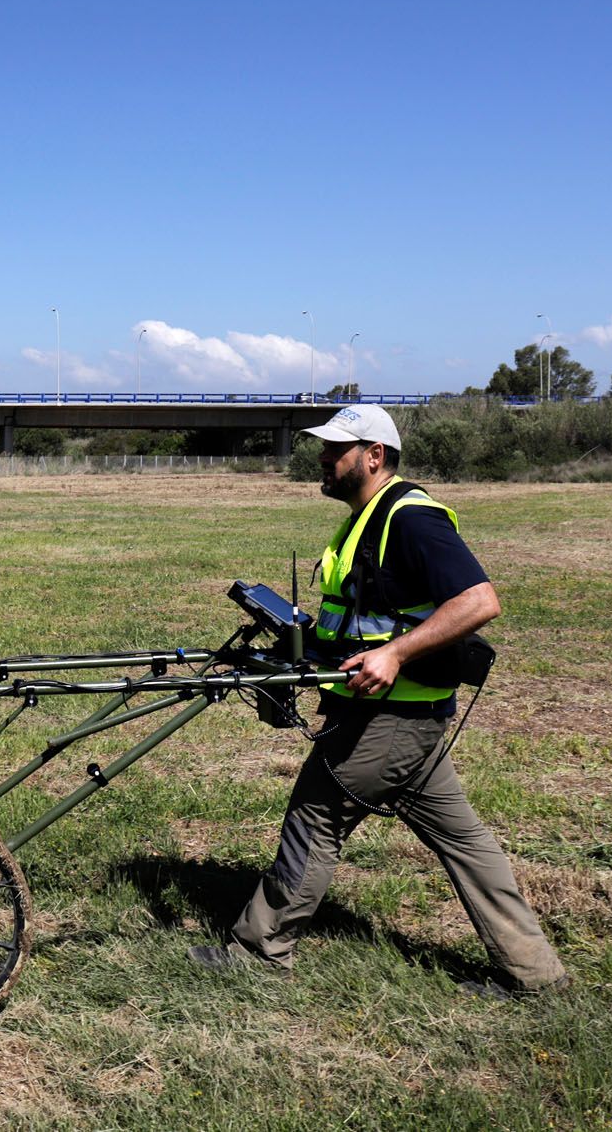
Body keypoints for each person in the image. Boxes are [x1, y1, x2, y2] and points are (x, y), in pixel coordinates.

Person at [190, 404, 567, 997]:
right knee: (467, 844)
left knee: (317, 817)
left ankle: (261, 951)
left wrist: (394, 655)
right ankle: (537, 977)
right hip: (400, 716)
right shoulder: (365, 519)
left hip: (391, 716)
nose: (322, 458)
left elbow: (478, 601)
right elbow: (363, 619)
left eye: (335, 449)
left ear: (373, 456)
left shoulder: (411, 519)